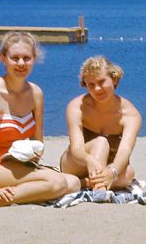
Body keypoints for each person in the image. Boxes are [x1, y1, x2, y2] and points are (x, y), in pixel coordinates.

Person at [0, 31, 79, 207]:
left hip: (17, 163)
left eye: (27, 58)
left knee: (73, 182)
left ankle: (11, 194)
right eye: (14, 58)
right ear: (3, 58)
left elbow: (37, 142)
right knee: (57, 183)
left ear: (34, 58)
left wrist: (30, 164)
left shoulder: (35, 93)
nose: (21, 63)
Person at [60, 56, 141, 190]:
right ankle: (99, 189)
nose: (97, 89)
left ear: (114, 79)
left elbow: (125, 151)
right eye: (91, 85)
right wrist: (90, 160)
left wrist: (112, 172)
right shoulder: (76, 107)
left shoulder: (131, 115)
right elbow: (76, 149)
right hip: (77, 163)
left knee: (129, 173)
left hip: (108, 166)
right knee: (101, 142)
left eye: (101, 82)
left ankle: (86, 183)